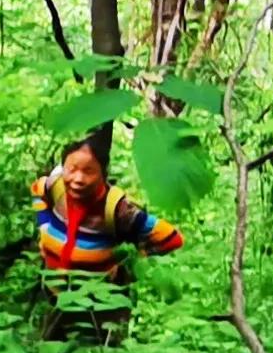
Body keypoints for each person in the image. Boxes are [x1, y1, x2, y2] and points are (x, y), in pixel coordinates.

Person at [30, 132, 187, 338]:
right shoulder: (56, 186)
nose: (78, 179)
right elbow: (37, 190)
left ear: (103, 173)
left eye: (88, 171)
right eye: (72, 169)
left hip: (101, 307)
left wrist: (132, 258)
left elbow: (171, 238)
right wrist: (44, 228)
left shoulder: (117, 209)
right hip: (56, 298)